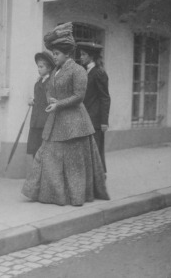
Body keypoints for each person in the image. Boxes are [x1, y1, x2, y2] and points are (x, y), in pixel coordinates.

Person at [21, 40, 109, 206]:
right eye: (53, 53)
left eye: (57, 54)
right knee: (46, 155)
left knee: (73, 162)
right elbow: (50, 91)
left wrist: (59, 103)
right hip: (56, 120)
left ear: (67, 54)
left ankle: (74, 195)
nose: (54, 57)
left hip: (75, 123)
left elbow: (79, 96)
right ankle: (49, 194)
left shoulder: (78, 70)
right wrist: (51, 100)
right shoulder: (55, 71)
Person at [77, 42, 111, 173]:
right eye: (81, 54)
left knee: (95, 150)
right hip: (85, 117)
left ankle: (99, 178)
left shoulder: (99, 73)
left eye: (84, 54)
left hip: (95, 119)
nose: (81, 57)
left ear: (91, 56)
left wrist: (104, 121)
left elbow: (105, 97)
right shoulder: (86, 72)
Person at [26, 51, 55, 158]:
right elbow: (39, 97)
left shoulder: (50, 82)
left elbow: (49, 100)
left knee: (44, 151)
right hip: (36, 121)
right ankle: (37, 173)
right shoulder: (39, 82)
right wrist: (33, 100)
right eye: (38, 67)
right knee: (35, 150)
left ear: (49, 68)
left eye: (41, 67)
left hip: (45, 121)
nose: (38, 69)